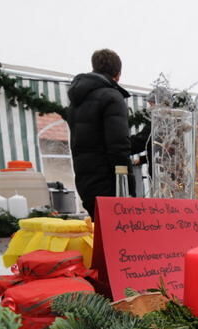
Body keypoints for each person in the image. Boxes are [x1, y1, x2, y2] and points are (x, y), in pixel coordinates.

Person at [66, 48, 132, 218]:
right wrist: (129, 186)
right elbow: (119, 146)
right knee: (118, 237)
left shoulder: (77, 100)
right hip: (108, 182)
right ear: (117, 74)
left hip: (84, 180)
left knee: (98, 234)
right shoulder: (112, 97)